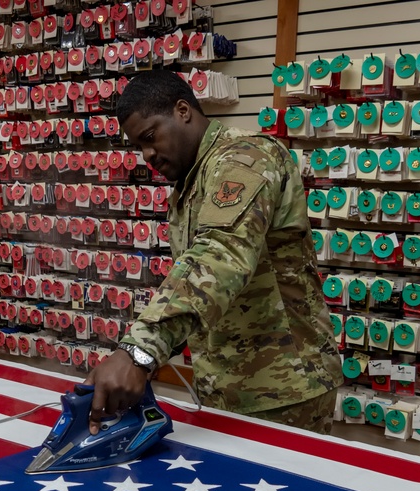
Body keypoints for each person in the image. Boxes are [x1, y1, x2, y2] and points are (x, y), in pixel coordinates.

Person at [86, 70, 343, 434]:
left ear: (183, 110)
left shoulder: (245, 158)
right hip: (231, 383)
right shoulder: (194, 179)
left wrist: (140, 351)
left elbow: (220, 255)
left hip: (284, 388)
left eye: (150, 137)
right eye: (138, 146)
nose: (147, 155)